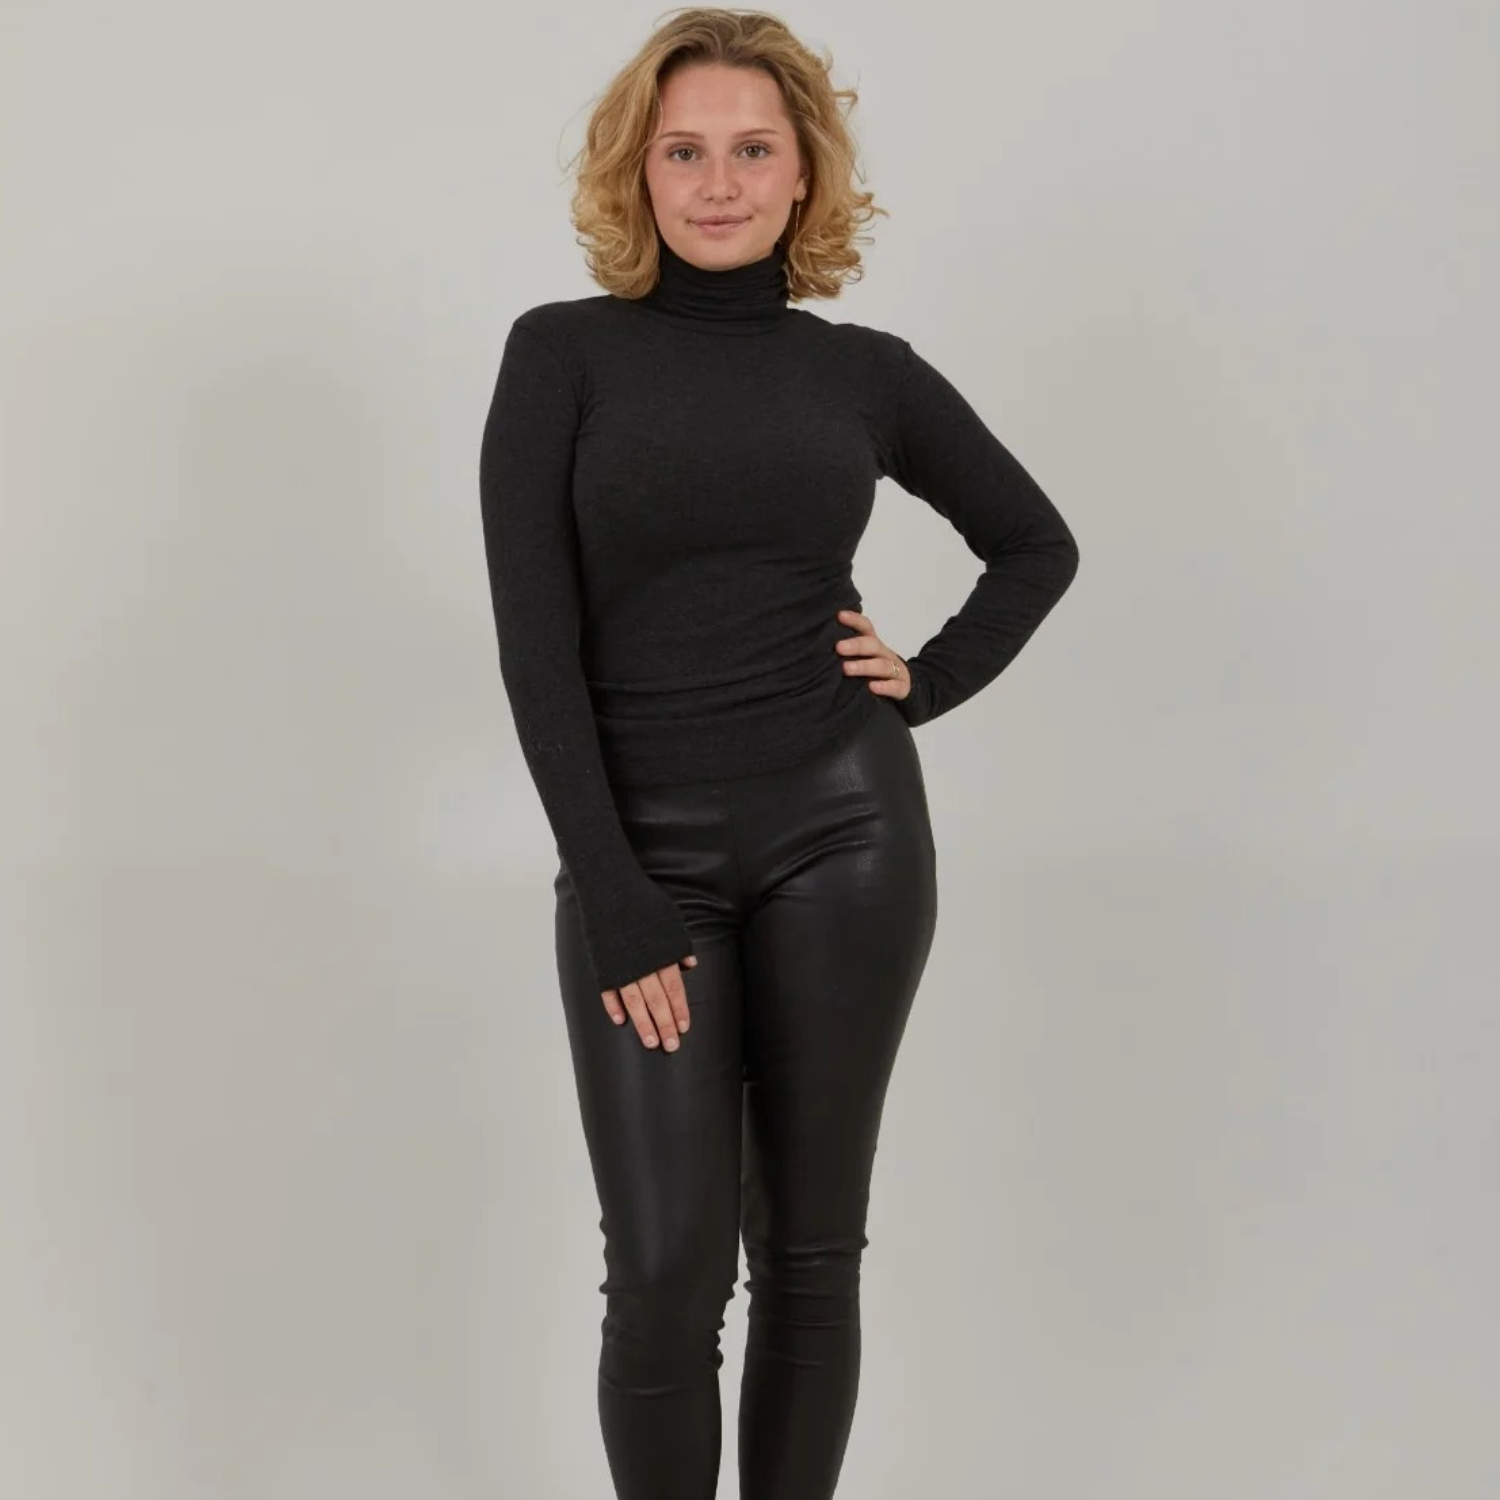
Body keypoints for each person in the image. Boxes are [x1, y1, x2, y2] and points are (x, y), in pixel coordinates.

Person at [477, 10, 1079, 1498]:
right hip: (643, 858)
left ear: (806, 172)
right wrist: (614, 893)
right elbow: (537, 650)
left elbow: (1035, 543)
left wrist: (923, 684)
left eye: (754, 150)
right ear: (639, 170)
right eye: (684, 151)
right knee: (666, 1272)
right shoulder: (561, 356)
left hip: (844, 832)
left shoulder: (863, 372)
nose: (720, 182)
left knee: (810, 1253)